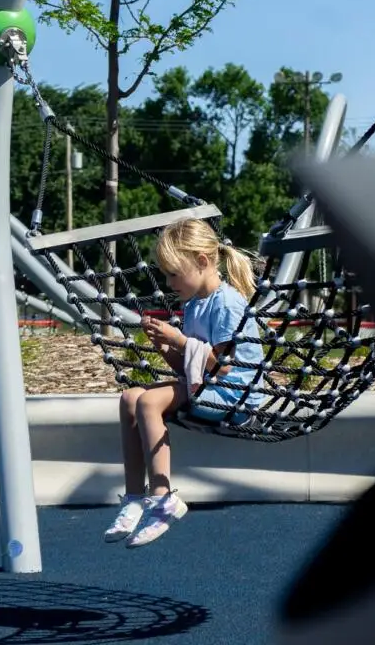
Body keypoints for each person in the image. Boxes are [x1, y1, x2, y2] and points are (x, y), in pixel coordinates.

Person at [104, 217, 264, 548]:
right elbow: (186, 367)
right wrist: (165, 346)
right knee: (130, 397)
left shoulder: (228, 303)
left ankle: (163, 500)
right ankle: (135, 496)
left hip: (236, 396)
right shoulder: (194, 305)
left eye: (174, 274)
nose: (169, 282)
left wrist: (178, 340)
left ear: (202, 262)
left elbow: (222, 367)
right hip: (207, 387)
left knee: (148, 402)